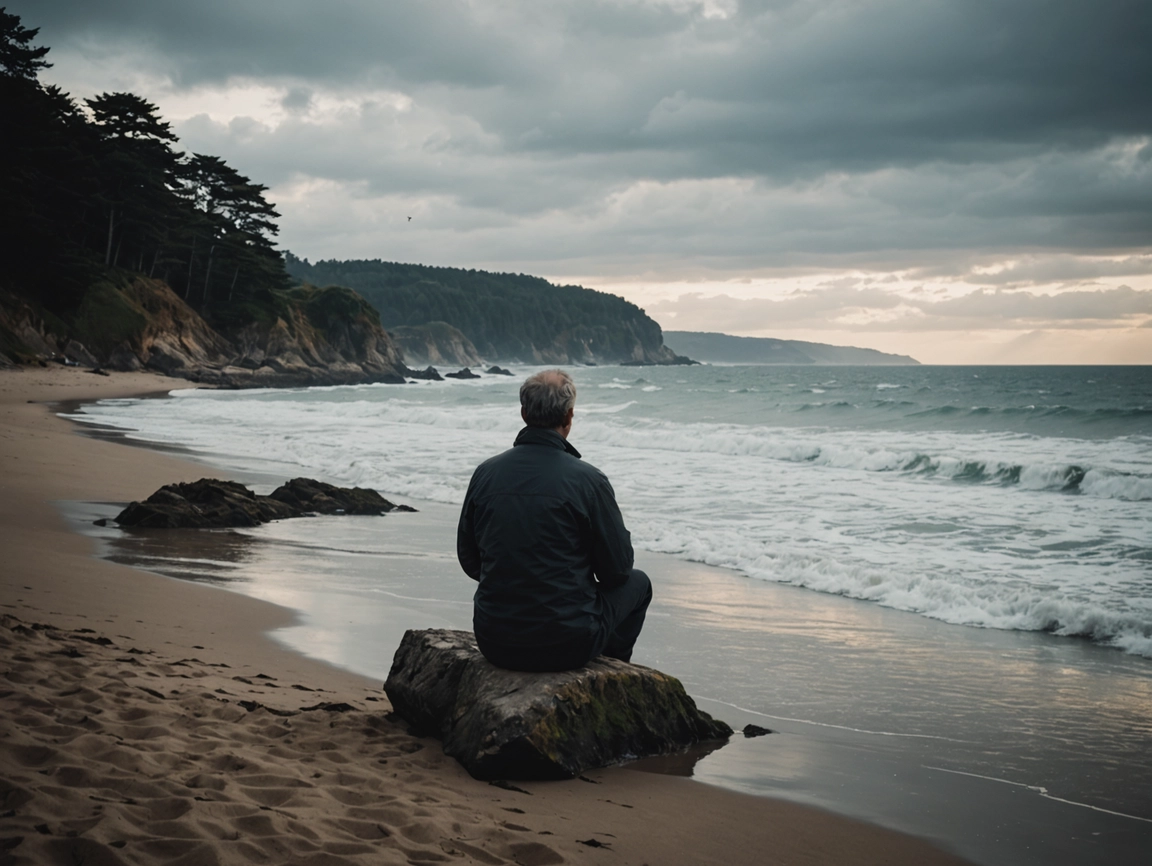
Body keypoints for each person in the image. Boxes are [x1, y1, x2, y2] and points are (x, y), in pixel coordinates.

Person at [457, 369, 652, 672]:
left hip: (494, 639)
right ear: (569, 416)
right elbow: (618, 572)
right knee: (640, 583)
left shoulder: (485, 472)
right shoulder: (589, 480)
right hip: (567, 646)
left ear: (523, 413)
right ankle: (613, 671)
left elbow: (469, 560)